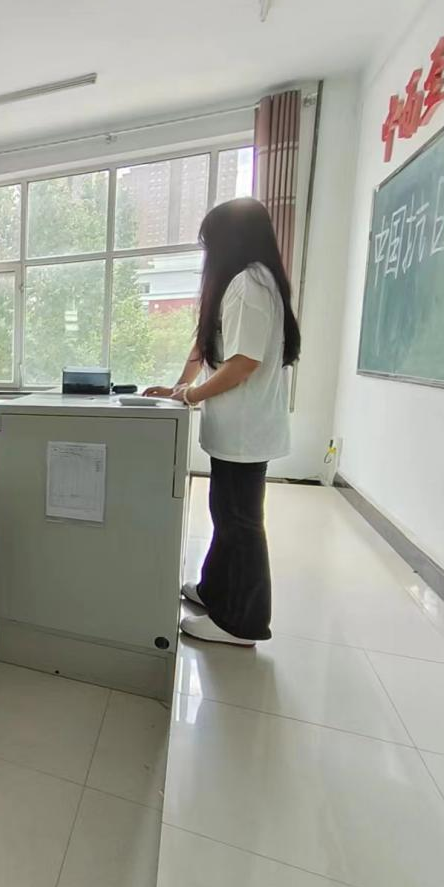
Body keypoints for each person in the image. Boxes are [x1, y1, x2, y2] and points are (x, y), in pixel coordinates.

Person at [144, 197, 301, 647]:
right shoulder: (241, 281)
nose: (207, 254)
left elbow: (243, 363)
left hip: (245, 430)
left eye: (210, 243)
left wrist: (191, 395)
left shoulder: (251, 283)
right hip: (236, 430)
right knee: (226, 514)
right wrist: (179, 386)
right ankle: (214, 590)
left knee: (241, 522)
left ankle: (242, 624)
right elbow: (205, 346)